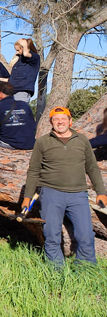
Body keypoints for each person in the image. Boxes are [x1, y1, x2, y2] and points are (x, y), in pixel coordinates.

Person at [23, 106, 107, 266]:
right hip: (50, 194)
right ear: (51, 122)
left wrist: (101, 192)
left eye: (63, 118)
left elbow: (92, 168)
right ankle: (56, 272)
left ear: (70, 121)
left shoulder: (82, 140)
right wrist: (27, 197)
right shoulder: (42, 142)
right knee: (52, 236)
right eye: (56, 119)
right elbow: (33, 171)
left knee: (86, 235)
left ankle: (86, 270)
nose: (60, 122)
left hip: (78, 195)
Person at [0, 82, 36, 149]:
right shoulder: (24, 105)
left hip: (10, 144)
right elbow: (33, 126)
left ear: (1, 94)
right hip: (30, 144)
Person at [8, 38, 40, 103]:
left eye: (18, 50)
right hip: (13, 91)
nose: (16, 52)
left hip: (22, 91)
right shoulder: (19, 62)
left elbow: (26, 54)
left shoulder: (34, 58)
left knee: (20, 109)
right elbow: (14, 78)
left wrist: (25, 44)